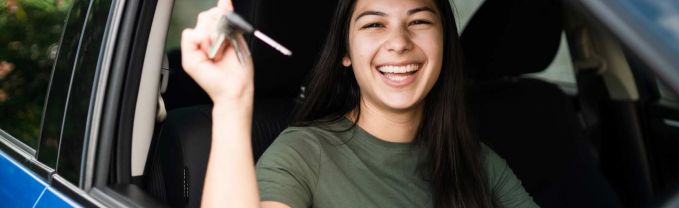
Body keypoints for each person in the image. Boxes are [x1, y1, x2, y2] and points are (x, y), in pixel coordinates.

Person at [181, 0, 538, 207]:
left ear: (444, 42)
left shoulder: (475, 160)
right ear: (345, 53)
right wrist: (232, 101)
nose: (399, 42)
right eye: (374, 25)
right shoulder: (303, 153)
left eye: (418, 20)